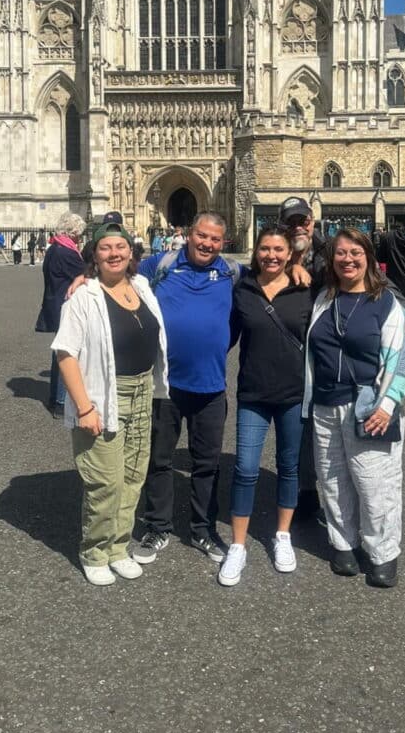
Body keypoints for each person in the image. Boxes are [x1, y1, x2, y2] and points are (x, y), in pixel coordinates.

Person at [52, 221, 169, 585]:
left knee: (133, 476)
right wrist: (85, 407)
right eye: (106, 248)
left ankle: (119, 546)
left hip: (142, 391)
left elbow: (195, 255)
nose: (115, 254)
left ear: (132, 252)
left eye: (121, 247)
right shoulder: (84, 295)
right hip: (105, 395)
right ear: (94, 255)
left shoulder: (143, 287)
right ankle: (95, 550)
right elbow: (65, 352)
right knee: (104, 481)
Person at [304, 228, 405, 588]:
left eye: (355, 253)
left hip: (370, 405)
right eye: (340, 254)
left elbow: (400, 360)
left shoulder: (385, 303)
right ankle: (343, 543)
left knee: (374, 483)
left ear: (368, 257)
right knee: (333, 479)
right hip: (324, 404)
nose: (347, 260)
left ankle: (383, 552)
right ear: (331, 260)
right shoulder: (323, 298)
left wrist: (388, 405)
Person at [132, 212, 241, 565]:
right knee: (160, 460)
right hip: (166, 384)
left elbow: (275, 277)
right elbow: (117, 275)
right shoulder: (158, 264)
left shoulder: (231, 272)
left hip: (210, 385)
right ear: (188, 235)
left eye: (215, 239)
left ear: (223, 243)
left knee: (206, 463)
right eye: (202, 236)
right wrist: (82, 280)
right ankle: (158, 526)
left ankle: (202, 529)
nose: (207, 244)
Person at [219, 227, 314, 586]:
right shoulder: (242, 288)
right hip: (253, 394)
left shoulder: (307, 287)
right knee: (245, 469)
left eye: (278, 249)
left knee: (289, 467)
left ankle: (283, 536)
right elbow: (224, 336)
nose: (271, 255)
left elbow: (360, 289)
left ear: (290, 254)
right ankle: (239, 545)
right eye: (265, 249)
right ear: (255, 251)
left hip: (293, 395)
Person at [277, 197, 328, 521]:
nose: (298, 226)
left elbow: (365, 276)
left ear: (312, 220)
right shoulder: (272, 252)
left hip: (322, 351)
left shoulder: (330, 251)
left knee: (321, 426)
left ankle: (322, 494)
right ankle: (297, 489)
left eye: (303, 220)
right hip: (285, 352)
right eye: (291, 222)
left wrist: (403, 309)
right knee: (293, 425)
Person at [36, 212, 86, 418]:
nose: (79, 239)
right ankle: (60, 401)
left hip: (55, 304)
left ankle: (55, 399)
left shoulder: (55, 248)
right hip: (65, 307)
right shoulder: (66, 252)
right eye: (78, 235)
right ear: (72, 232)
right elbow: (88, 273)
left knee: (60, 354)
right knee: (67, 355)